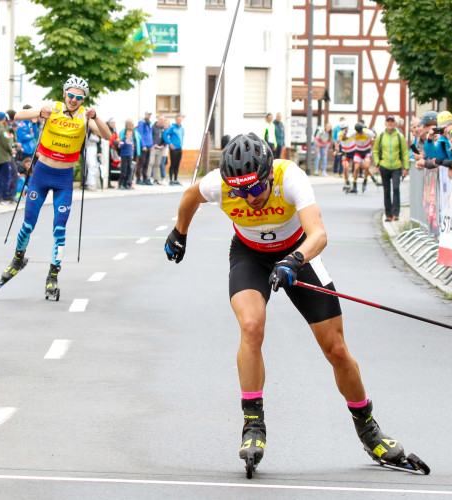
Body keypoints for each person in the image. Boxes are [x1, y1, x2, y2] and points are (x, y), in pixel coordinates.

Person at [164, 132, 416, 475]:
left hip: (298, 253)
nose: (248, 197)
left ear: (269, 175)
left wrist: (293, 261)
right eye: (239, 191)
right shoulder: (221, 184)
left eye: (254, 189)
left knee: (336, 349)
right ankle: (253, 423)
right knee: (251, 327)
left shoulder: (290, 177)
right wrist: (179, 233)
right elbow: (191, 195)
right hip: (249, 256)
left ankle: (368, 427)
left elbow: (319, 235)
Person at [0, 75, 111, 297]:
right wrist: (40, 113)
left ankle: (53, 274)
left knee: (59, 229)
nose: (74, 100)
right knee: (28, 223)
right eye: (71, 95)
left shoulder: (85, 116)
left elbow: (106, 135)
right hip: (41, 174)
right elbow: (18, 115)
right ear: (64, 94)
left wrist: (96, 116)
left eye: (79, 97)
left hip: (63, 179)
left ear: (83, 99)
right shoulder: (54, 108)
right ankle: (18, 258)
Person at [373, 115, 408, 222]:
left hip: (396, 167)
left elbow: (405, 152)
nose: (390, 123)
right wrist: (377, 163)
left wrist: (406, 167)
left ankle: (395, 213)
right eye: (388, 121)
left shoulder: (399, 136)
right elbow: (375, 150)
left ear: (395, 124)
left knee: (396, 188)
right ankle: (388, 214)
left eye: (392, 121)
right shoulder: (381, 135)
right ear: (385, 123)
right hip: (384, 166)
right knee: (386, 190)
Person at [350, 122, 378, 193]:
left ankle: (365, 181)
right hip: (358, 151)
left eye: (360, 131)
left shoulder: (368, 132)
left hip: (366, 152)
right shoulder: (353, 133)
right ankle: (354, 184)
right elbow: (345, 137)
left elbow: (375, 137)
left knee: (366, 167)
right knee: (356, 168)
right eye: (358, 131)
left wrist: (373, 142)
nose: (360, 133)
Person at [163, 115, 185, 185]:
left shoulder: (182, 128)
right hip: (173, 149)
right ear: (175, 120)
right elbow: (165, 135)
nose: (179, 121)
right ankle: (171, 180)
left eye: (180, 120)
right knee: (173, 164)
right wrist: (169, 143)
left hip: (179, 148)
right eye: (177, 120)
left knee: (177, 164)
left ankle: (176, 179)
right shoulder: (172, 127)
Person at [136, 111, 153, 185]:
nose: (149, 116)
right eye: (148, 114)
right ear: (145, 114)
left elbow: (150, 135)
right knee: (141, 162)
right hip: (144, 146)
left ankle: (145, 178)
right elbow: (140, 135)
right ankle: (138, 178)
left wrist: (151, 145)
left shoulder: (149, 123)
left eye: (150, 115)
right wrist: (143, 145)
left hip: (149, 145)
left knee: (147, 163)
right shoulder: (142, 123)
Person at [149, 115, 166, 185]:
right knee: (151, 163)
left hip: (160, 149)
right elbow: (150, 136)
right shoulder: (153, 127)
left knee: (157, 164)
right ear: (158, 120)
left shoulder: (164, 129)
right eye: (160, 119)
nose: (161, 121)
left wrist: (163, 145)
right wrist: (152, 144)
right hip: (153, 148)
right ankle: (148, 178)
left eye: (162, 120)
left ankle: (156, 179)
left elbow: (165, 138)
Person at [118, 126, 135, 190]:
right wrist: (125, 142)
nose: (129, 133)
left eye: (131, 132)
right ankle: (120, 184)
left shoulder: (132, 140)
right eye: (128, 132)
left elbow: (132, 148)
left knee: (129, 170)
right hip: (124, 156)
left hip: (129, 156)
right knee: (123, 170)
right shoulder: (123, 139)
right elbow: (120, 146)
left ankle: (126, 184)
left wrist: (132, 154)